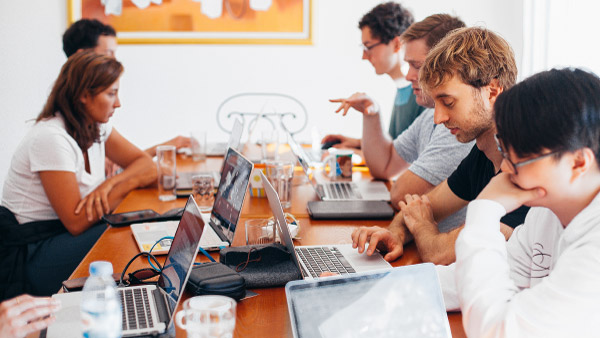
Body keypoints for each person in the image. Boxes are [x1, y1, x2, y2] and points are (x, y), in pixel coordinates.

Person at [428, 68, 600, 336]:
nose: (505, 168)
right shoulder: (548, 212)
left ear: (578, 162)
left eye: (517, 159)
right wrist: (366, 285)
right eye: (503, 151)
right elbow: (467, 280)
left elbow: (497, 331)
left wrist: (484, 210)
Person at [351, 27, 530, 265]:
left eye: (448, 102)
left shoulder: (525, 168)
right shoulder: (482, 154)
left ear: (492, 92)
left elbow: (440, 253)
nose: (438, 118)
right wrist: (395, 233)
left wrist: (424, 227)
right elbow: (418, 208)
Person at [0, 51, 156, 298]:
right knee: (127, 235)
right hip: (33, 252)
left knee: (136, 228)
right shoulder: (51, 137)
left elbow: (148, 166)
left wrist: (110, 184)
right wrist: (126, 184)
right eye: (111, 93)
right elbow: (76, 221)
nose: (118, 103)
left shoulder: (97, 126)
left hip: (61, 236)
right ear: (84, 95)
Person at [331, 15, 473, 234]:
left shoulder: (457, 126)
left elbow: (400, 195)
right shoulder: (428, 116)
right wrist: (371, 114)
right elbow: (384, 166)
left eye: (416, 66)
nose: (408, 76)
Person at [63, 19, 190, 159]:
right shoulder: (62, 128)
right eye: (108, 53)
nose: (115, 61)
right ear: (81, 56)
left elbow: (132, 164)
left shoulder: (98, 124)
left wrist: (167, 147)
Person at [321, 2, 424, 149]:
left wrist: (360, 153)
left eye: (368, 47)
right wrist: (358, 144)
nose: (364, 56)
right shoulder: (402, 89)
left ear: (396, 44)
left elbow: (410, 158)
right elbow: (396, 146)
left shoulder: (421, 94)